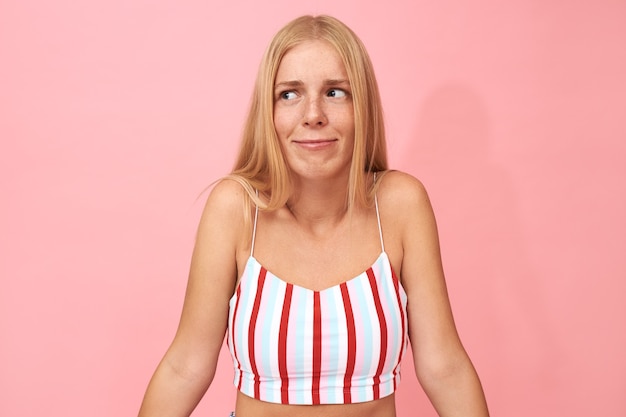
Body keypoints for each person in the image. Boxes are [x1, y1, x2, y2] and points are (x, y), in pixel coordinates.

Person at [138, 14, 489, 417]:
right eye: (289, 94)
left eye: (335, 92)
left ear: (363, 106)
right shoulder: (235, 208)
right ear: (267, 113)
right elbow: (185, 367)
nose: (313, 114)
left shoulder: (400, 205)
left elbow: (445, 368)